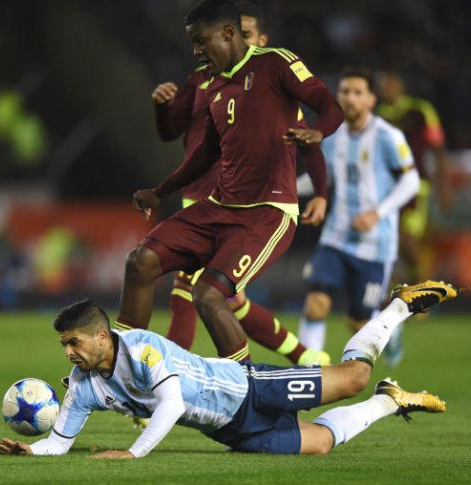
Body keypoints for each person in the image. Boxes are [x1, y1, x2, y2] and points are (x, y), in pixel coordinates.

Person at [0, 280, 457, 458]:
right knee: (320, 444)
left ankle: (399, 305)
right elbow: (59, 442)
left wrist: (133, 454)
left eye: (73, 342)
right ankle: (388, 400)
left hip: (250, 388)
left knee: (352, 377)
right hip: (232, 430)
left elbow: (172, 403)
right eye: (64, 345)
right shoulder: (84, 386)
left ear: (100, 336)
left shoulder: (142, 348)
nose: (68, 353)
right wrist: (30, 451)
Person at [119, 0, 343, 365]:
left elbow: (329, 106)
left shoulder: (276, 63)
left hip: (267, 212)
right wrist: (160, 192)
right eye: (192, 43)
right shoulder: (213, 84)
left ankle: (246, 386)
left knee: (207, 296)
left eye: (200, 40)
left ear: (227, 33)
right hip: (218, 206)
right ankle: (121, 371)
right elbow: (204, 154)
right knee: (140, 262)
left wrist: (318, 132)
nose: (196, 50)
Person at [295, 67, 420, 360]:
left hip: (375, 245)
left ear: (371, 100)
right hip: (336, 237)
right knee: (316, 304)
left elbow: (411, 181)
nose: (350, 98)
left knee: (358, 322)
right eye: (345, 92)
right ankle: (308, 372)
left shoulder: (388, 136)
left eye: (357, 93)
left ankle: (390, 330)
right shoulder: (331, 136)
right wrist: (285, 188)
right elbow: (322, 178)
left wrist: (377, 214)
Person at [373, 71, 452, 367]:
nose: (386, 88)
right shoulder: (379, 114)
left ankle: (421, 297)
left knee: (405, 241)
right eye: (383, 85)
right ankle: (406, 302)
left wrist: (444, 185)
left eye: (390, 83)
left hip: (416, 188)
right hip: (384, 189)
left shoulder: (419, 111)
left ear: (401, 85)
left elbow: (438, 148)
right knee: (392, 249)